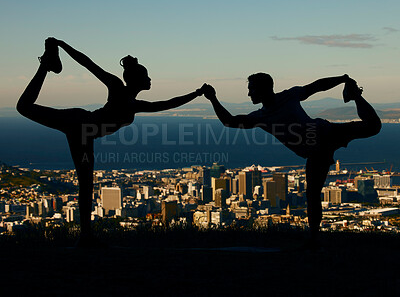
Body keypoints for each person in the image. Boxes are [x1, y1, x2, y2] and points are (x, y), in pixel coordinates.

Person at [17, 38, 204, 247]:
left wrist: (196, 94)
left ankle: (86, 237)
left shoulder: (135, 104)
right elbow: (87, 63)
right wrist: (62, 44)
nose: (150, 79)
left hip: (84, 132)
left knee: (86, 183)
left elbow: (166, 104)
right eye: (146, 76)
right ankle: (46, 63)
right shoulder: (117, 87)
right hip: (80, 123)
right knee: (23, 107)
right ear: (136, 79)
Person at [200, 73, 381, 247]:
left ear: (263, 89)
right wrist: (213, 98)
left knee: (374, 126)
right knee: (312, 193)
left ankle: (355, 94)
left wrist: (343, 79)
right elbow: (229, 121)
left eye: (252, 89)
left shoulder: (286, 98)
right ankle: (314, 239)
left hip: (325, 134)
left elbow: (317, 86)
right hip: (316, 151)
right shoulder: (260, 116)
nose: (249, 94)